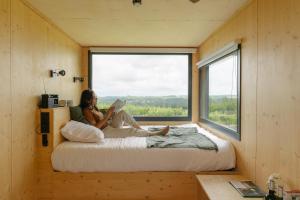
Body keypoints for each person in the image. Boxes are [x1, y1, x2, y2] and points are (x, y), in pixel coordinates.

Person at [80, 89, 169, 138]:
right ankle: (153, 134)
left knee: (122, 113)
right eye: (95, 98)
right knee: (130, 131)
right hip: (105, 132)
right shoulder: (87, 111)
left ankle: (142, 130)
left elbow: (103, 119)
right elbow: (96, 128)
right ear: (88, 100)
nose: (97, 99)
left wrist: (111, 115)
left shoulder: (94, 107)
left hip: (109, 125)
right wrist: (107, 116)